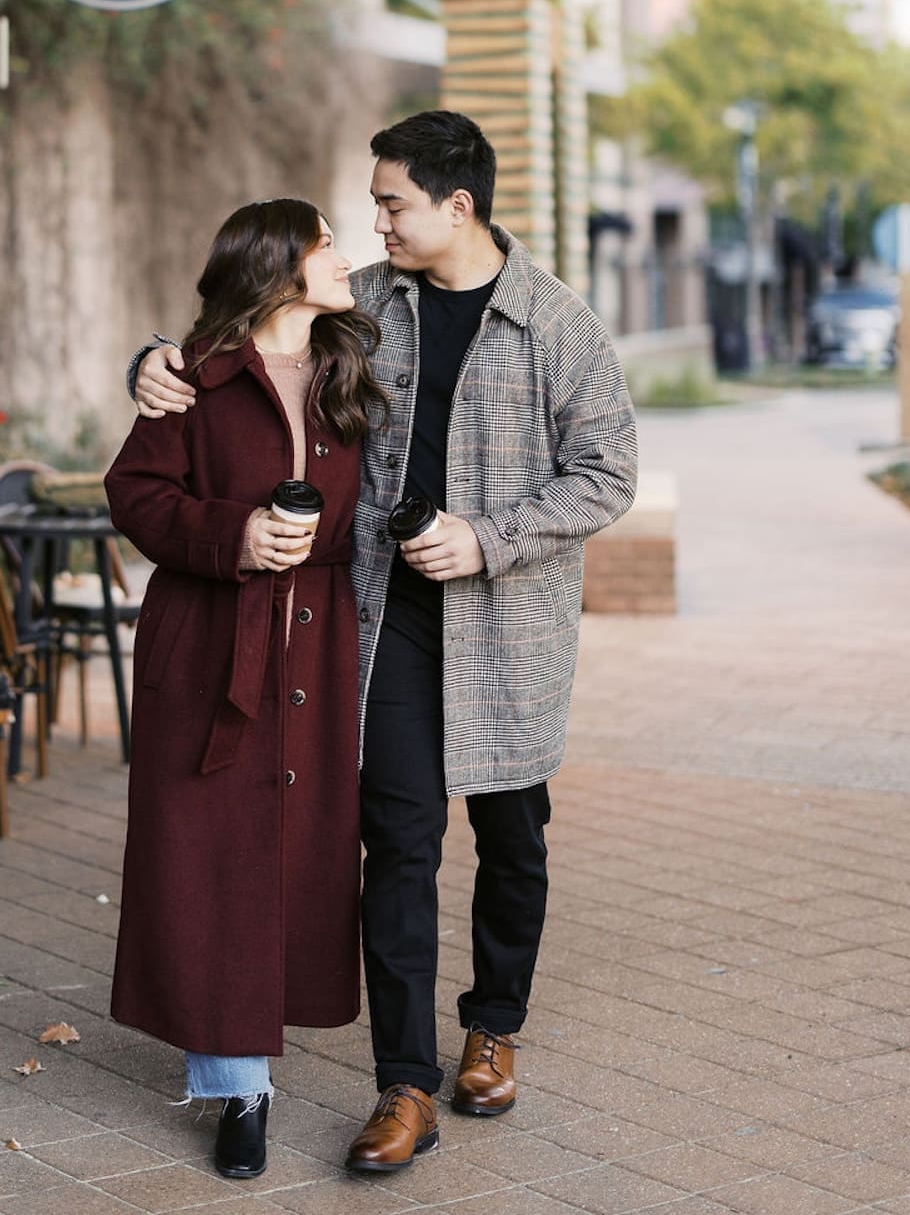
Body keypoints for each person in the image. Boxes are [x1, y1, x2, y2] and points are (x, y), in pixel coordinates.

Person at [132, 111, 637, 1173]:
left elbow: (605, 475)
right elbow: (252, 330)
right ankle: (403, 1085)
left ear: (456, 207)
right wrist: (155, 362)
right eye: (369, 206)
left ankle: (491, 1025)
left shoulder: (559, 325)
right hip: (386, 623)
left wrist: (487, 538)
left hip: (506, 621)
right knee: (396, 845)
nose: (374, 223)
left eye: (391, 203)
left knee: (511, 838)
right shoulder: (364, 303)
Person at [105, 198, 387, 1182]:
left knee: (295, 855)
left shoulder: (354, 360)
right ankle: (236, 1090)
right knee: (210, 855)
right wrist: (233, 536)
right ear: (277, 266)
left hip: (315, 651)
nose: (344, 257)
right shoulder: (190, 375)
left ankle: (251, 1053)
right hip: (209, 646)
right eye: (323, 244)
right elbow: (134, 495)